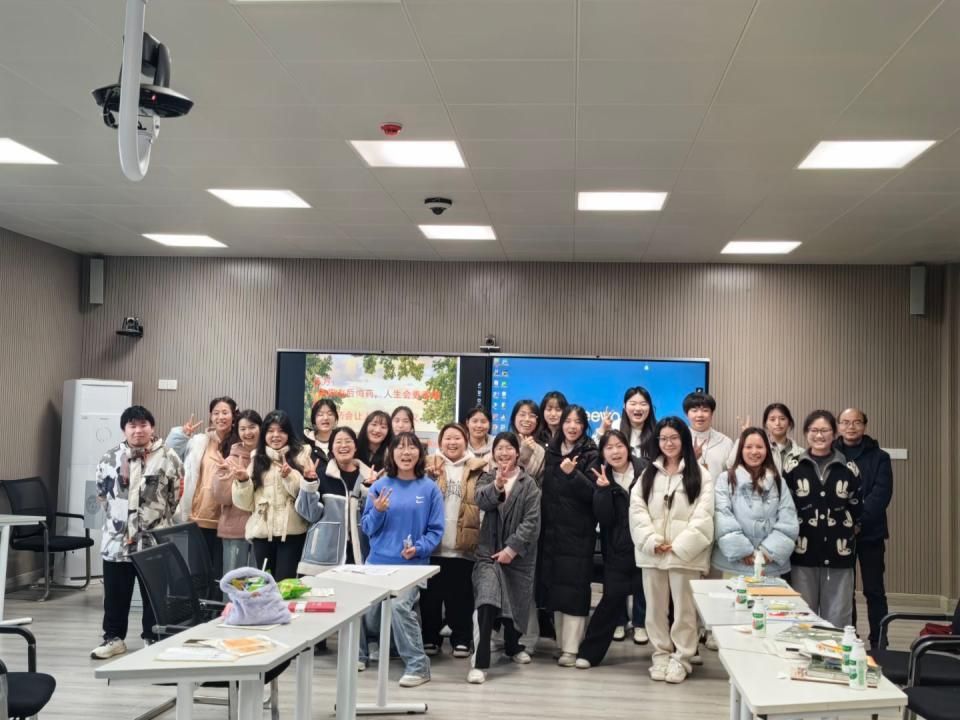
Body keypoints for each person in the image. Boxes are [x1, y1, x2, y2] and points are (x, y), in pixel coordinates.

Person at [91, 405, 182, 659]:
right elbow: (102, 495)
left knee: (154, 595)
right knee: (115, 595)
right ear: (124, 429)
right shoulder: (110, 457)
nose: (138, 430)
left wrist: (153, 518)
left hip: (153, 540)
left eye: (143, 425)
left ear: (152, 428)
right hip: (116, 540)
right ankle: (114, 638)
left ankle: (153, 638)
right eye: (132, 425)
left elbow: (175, 496)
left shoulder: (168, 457)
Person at [629, 416, 714, 684]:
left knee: (685, 612)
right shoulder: (648, 474)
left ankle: (682, 658)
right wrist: (652, 541)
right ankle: (661, 655)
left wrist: (679, 546)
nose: (668, 443)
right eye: (663, 438)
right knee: (654, 611)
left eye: (674, 438)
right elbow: (636, 511)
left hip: (684, 555)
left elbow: (704, 516)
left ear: (683, 440)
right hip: (653, 553)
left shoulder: (701, 475)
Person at [361, 432, 444, 688]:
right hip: (377, 564)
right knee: (361, 607)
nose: (406, 453)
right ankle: (360, 654)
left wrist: (418, 548)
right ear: (391, 453)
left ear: (420, 453)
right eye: (400, 448)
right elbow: (367, 527)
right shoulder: (380, 486)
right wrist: (378, 511)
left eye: (411, 448)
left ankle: (418, 666)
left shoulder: (429, 488)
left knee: (398, 606)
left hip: (412, 567)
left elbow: (436, 531)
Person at [468, 432, 542, 684]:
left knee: (514, 605)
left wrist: (511, 550)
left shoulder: (529, 483)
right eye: (499, 448)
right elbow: (480, 500)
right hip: (488, 554)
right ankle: (480, 662)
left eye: (509, 448)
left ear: (518, 453)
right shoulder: (487, 478)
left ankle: (513, 646)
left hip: (518, 557)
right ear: (493, 453)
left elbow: (532, 522)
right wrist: (497, 486)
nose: (504, 453)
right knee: (487, 601)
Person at [576, 430, 649, 668]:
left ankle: (675, 653)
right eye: (609, 447)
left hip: (648, 547)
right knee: (611, 600)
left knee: (660, 603)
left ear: (628, 447)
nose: (615, 452)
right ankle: (589, 653)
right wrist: (603, 490)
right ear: (602, 453)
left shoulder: (646, 471)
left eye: (619, 446)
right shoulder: (600, 475)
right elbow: (604, 518)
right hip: (618, 551)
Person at [784, 410, 862, 629]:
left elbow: (857, 505)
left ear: (835, 433)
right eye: (814, 430)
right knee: (801, 616)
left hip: (839, 554)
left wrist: (849, 530)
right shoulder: (792, 466)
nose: (819, 435)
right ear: (806, 433)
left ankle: (835, 651)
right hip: (802, 553)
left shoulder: (848, 468)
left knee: (837, 616)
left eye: (825, 430)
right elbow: (785, 506)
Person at [538, 404, 600, 667]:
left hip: (578, 532)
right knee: (557, 589)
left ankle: (573, 648)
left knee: (575, 589)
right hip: (551, 532)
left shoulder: (591, 454)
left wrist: (572, 474)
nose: (572, 426)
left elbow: (594, 494)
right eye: (568, 421)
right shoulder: (551, 451)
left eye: (578, 422)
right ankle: (562, 645)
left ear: (585, 426)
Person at [594, 386, 657, 643]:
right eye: (633, 402)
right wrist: (602, 431)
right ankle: (618, 620)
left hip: (643, 522)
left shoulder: (653, 443)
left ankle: (640, 622)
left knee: (643, 574)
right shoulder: (612, 443)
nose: (638, 407)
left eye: (643, 403)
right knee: (614, 576)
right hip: (613, 525)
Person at [419, 423, 488, 657]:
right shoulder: (428, 466)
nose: (452, 442)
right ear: (440, 442)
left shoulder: (477, 467)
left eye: (457, 438)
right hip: (433, 545)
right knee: (430, 597)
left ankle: (462, 638)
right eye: (447, 438)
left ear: (465, 441)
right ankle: (430, 638)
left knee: (461, 596)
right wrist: (429, 477)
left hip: (463, 544)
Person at [233, 409, 317, 581]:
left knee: (285, 585)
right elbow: (245, 504)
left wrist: (290, 476)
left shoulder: (302, 456)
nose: (276, 435)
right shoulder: (257, 459)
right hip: (262, 534)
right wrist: (243, 481)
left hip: (292, 534)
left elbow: (304, 497)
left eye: (281, 431)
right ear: (264, 434)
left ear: (288, 433)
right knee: (265, 584)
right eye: (270, 431)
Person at [835, 408, 892, 649]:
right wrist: (846, 523)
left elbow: (881, 494)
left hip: (871, 534)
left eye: (856, 422)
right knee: (844, 590)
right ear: (838, 426)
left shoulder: (880, 457)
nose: (851, 427)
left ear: (864, 426)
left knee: (874, 590)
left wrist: (858, 522)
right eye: (846, 422)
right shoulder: (831, 454)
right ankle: (850, 638)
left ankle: (880, 642)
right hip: (839, 535)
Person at [168, 396, 240, 579]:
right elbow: (170, 454)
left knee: (222, 575)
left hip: (227, 519)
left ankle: (219, 600)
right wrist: (182, 435)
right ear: (210, 416)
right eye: (216, 413)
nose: (220, 417)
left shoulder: (239, 444)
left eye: (225, 412)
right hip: (199, 516)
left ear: (233, 416)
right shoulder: (199, 441)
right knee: (198, 573)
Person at [712, 427, 799, 578]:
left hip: (769, 563)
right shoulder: (725, 479)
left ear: (767, 450)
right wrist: (742, 550)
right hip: (735, 564)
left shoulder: (779, 481)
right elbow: (722, 516)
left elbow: (788, 519)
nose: (754, 452)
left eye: (759, 447)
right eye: (748, 447)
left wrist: (768, 551)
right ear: (740, 450)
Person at [296, 426, 373, 574]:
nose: (343, 445)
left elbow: (373, 517)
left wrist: (368, 490)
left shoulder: (368, 478)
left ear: (356, 447)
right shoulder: (320, 475)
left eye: (348, 441)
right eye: (338, 442)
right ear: (331, 448)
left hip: (360, 555)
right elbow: (309, 515)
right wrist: (309, 483)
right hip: (323, 556)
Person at [212, 409, 261, 575]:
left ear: (261, 428)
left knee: (258, 582)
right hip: (235, 531)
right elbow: (223, 498)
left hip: (262, 531)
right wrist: (223, 475)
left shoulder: (268, 458)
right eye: (243, 429)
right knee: (234, 582)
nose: (248, 432)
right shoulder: (230, 460)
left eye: (252, 427)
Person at [726, 403, 803, 474]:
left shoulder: (800, 453)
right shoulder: (759, 449)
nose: (777, 423)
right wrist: (745, 436)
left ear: (789, 422)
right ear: (766, 423)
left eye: (782, 419)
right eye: (772, 419)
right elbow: (731, 464)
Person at [595, 386, 658, 461]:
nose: (638, 408)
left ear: (650, 407)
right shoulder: (615, 426)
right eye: (633, 404)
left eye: (643, 404)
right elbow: (595, 453)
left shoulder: (658, 429)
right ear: (624, 406)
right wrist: (603, 429)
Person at [683, 391, 733, 481]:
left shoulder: (725, 442)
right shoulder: (679, 440)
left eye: (705, 410)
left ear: (712, 413)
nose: (700, 415)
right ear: (686, 414)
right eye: (694, 410)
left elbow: (731, 476)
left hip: (716, 490)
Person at [305, 398, 338, 467]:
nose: (325, 418)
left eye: (330, 414)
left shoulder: (341, 443)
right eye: (320, 414)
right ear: (314, 419)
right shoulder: (304, 444)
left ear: (335, 419)